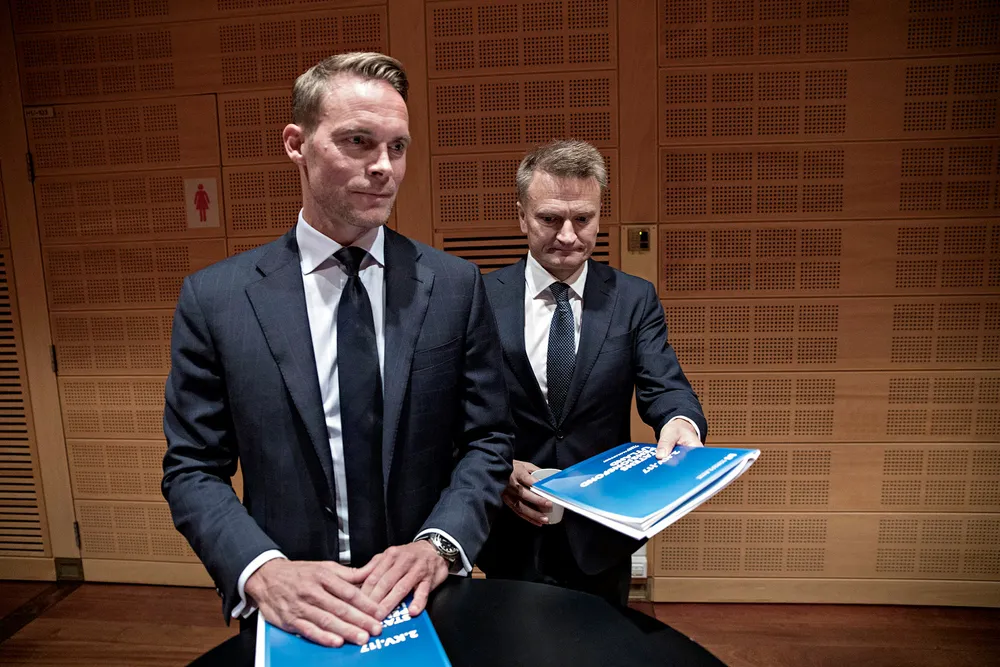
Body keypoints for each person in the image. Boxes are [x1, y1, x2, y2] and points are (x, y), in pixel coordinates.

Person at [162, 52, 513, 648]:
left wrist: (439, 545)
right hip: (292, 603)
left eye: (397, 147)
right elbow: (192, 467)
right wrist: (261, 571)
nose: (384, 167)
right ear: (296, 144)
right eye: (358, 141)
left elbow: (488, 439)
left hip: (425, 596)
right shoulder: (216, 299)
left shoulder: (455, 287)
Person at [476, 140, 707, 607]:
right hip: (511, 523)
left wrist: (680, 421)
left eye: (582, 219)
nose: (568, 235)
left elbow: (664, 384)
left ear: (600, 216)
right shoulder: (479, 297)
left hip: (601, 528)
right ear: (521, 217)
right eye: (550, 219)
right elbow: (457, 407)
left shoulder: (634, 298)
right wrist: (498, 468)